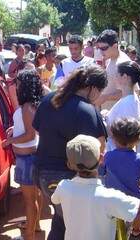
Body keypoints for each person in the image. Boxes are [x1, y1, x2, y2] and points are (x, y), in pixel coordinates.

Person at [32, 64, 107, 240]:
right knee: (74, 225)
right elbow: (98, 147)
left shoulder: (49, 99)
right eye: (100, 91)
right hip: (70, 175)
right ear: (93, 88)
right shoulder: (87, 111)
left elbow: (37, 130)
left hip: (42, 174)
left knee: (61, 220)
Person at [51, 134, 140, 240]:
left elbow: (55, 199)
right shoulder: (109, 196)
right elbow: (139, 207)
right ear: (101, 158)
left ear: (69, 164)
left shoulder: (63, 186)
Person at [2, 70, 44, 240]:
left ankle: (29, 236)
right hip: (32, 157)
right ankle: (36, 225)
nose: (16, 86)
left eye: (18, 83)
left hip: (27, 159)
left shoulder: (27, 106)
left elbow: (30, 135)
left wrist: (9, 141)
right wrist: (15, 129)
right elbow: (30, 129)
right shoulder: (31, 104)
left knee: (29, 200)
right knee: (36, 196)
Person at [102, 61, 140, 150]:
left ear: (125, 77)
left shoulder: (128, 103)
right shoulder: (130, 98)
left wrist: (103, 122)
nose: (114, 78)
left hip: (117, 152)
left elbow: (123, 136)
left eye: (117, 75)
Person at [102, 118, 140, 200]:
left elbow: (101, 172)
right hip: (135, 201)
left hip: (112, 199)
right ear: (137, 140)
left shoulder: (107, 156)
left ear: (114, 139)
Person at [95, 29, 131, 110]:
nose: (101, 51)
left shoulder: (123, 63)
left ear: (115, 46)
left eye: (104, 48)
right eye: (99, 48)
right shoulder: (110, 57)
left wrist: (105, 97)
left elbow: (130, 92)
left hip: (118, 113)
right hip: (108, 110)